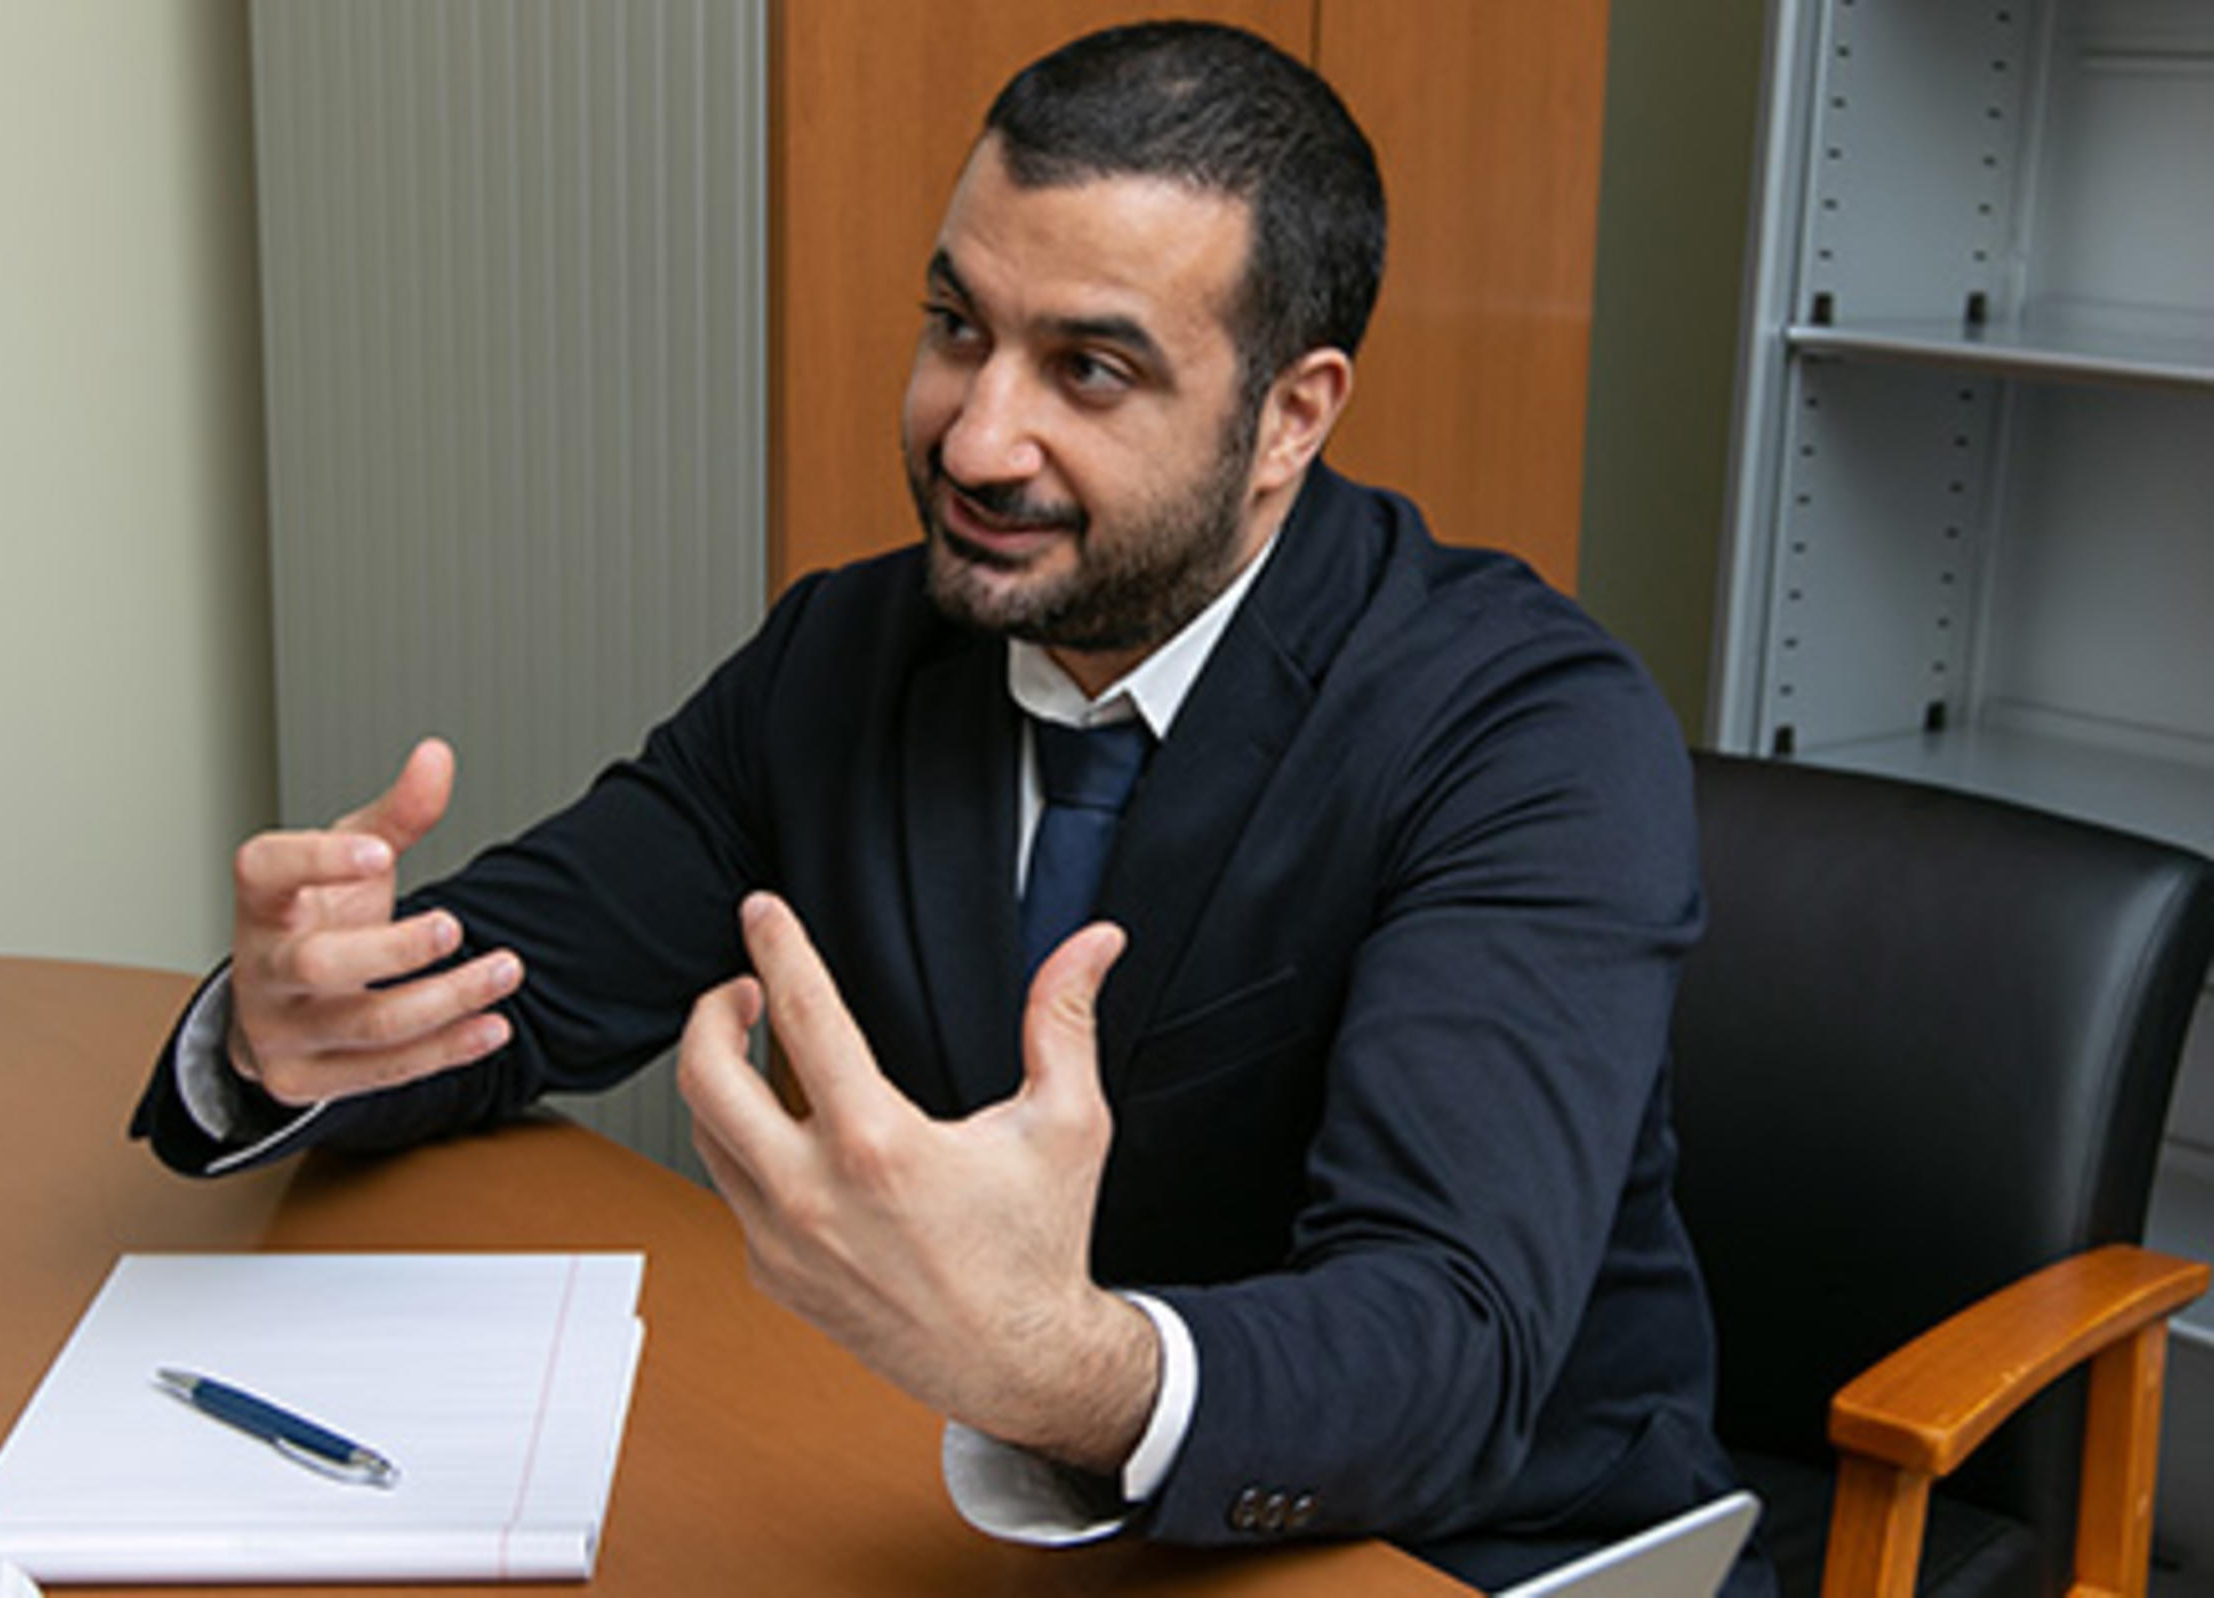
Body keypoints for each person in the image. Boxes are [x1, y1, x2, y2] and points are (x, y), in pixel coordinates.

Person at [134, 21, 1769, 1594]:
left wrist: (1061, 1365)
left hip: (1447, 1553)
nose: (977, 437)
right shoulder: (847, 654)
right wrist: (290, 1027)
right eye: (958, 326)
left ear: (1292, 415)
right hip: (977, 1520)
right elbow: (512, 982)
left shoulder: (1528, 730)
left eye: (1092, 368)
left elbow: (1451, 1342)